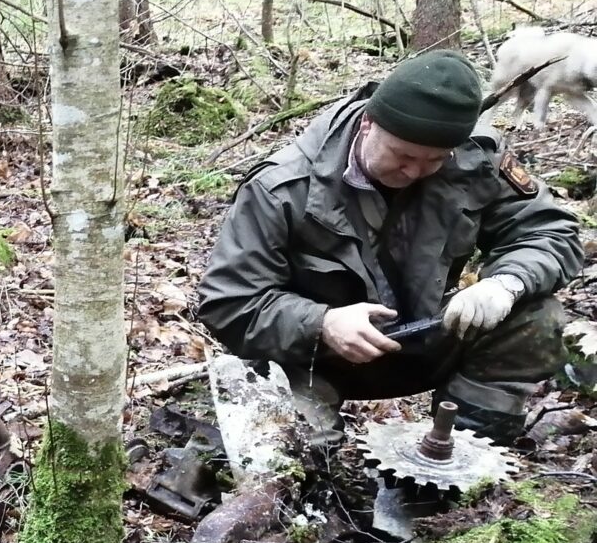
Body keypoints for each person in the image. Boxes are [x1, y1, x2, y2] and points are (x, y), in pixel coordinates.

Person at [196, 49, 582, 445]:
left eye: (434, 160)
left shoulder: (475, 159)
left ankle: (462, 462)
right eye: (403, 155)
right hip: (314, 360)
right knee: (292, 449)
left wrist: (505, 283)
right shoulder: (284, 187)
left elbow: (549, 231)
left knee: (536, 317)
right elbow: (228, 301)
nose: (414, 171)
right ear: (368, 124)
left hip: (427, 336)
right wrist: (322, 323)